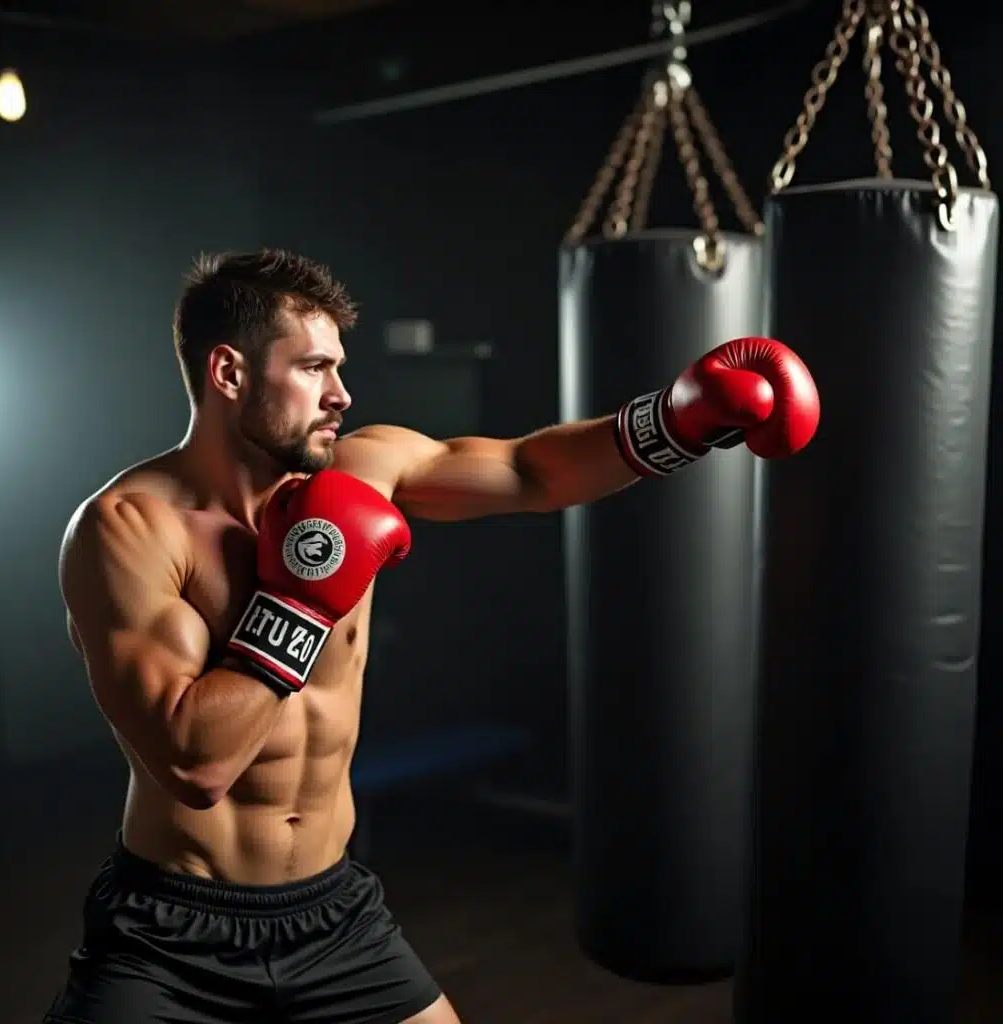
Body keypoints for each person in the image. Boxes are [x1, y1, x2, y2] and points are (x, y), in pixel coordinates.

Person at [44, 249, 820, 1024]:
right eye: (314, 368)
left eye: (339, 368)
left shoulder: (363, 469)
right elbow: (196, 763)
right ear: (228, 373)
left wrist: (677, 421)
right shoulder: (129, 530)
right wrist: (302, 600)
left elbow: (530, 472)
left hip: (330, 912)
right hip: (174, 933)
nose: (340, 394)